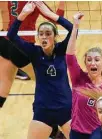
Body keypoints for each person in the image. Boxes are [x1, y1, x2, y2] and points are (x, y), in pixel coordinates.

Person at [7, 1, 73, 139]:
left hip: (66, 110)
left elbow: (73, 29)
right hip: (43, 111)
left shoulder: (62, 50)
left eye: (48, 33)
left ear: (54, 37)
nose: (44, 36)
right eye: (41, 34)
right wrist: (23, 14)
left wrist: (50, 14)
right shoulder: (34, 52)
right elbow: (12, 35)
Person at [66, 12, 102, 139]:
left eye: (96, 59)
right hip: (77, 134)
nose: (92, 63)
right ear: (85, 63)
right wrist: (75, 27)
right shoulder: (78, 78)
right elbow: (69, 56)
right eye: (89, 60)